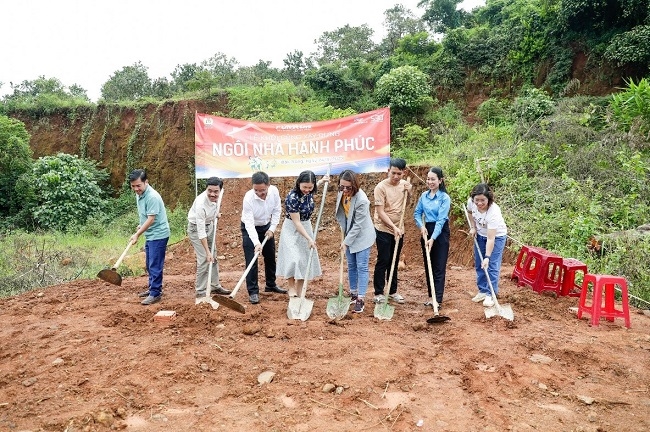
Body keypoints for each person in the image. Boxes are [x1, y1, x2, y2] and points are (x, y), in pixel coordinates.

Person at [276, 170, 330, 298]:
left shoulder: (309, 192)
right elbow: (297, 222)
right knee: (293, 259)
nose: (307, 190)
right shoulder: (292, 197)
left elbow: (315, 188)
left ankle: (299, 291)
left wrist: (322, 180)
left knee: (304, 260)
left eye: (310, 187)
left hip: (306, 225)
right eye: (305, 187)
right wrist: (309, 239)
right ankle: (290, 287)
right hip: (292, 227)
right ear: (298, 183)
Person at [241, 171, 287, 304]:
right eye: (256, 190)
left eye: (262, 190)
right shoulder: (248, 198)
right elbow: (249, 223)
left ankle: (271, 285)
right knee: (252, 260)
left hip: (266, 226)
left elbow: (277, 211)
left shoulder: (274, 192)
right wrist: (256, 243)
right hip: (250, 228)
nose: (259, 193)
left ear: (268, 185)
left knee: (271, 257)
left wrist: (272, 229)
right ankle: (253, 291)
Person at [335, 170, 376, 313]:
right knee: (351, 265)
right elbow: (342, 212)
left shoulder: (362, 200)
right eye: (342, 187)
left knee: (362, 266)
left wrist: (346, 242)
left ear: (355, 185)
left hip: (362, 235)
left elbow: (358, 225)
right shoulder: (341, 192)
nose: (345, 190)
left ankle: (361, 298)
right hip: (349, 233)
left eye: (348, 187)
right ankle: (353, 293)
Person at [372, 157, 413, 304]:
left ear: (404, 173)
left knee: (394, 260)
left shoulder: (404, 185)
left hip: (399, 229)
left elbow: (406, 204)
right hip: (383, 228)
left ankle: (392, 291)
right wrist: (393, 227)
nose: (396, 177)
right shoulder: (380, 188)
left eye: (399, 174)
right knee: (383, 259)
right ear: (388, 171)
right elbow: (380, 212)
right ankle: (378, 292)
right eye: (393, 173)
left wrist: (411, 192)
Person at [128, 169, 170, 306]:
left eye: (138, 185)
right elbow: (145, 216)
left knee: (154, 264)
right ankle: (153, 288)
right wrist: (141, 226)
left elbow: (151, 219)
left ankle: (156, 293)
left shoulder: (152, 196)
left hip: (158, 234)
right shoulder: (139, 194)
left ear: (146, 182)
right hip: (150, 234)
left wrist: (137, 234)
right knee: (149, 264)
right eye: (133, 186)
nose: (136, 189)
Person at [187, 177, 232, 301]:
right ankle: (200, 291)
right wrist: (207, 252)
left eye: (215, 191)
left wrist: (215, 214)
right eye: (209, 191)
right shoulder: (201, 203)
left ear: (220, 190)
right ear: (206, 189)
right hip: (196, 229)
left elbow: (215, 205)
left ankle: (215, 285)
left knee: (214, 256)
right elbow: (201, 232)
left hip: (210, 224)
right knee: (204, 259)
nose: (212, 194)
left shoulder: (220, 193)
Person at [414, 167, 451, 308]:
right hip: (426, 231)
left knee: (439, 266)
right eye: (428, 179)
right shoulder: (424, 196)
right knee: (428, 264)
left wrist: (433, 238)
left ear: (440, 180)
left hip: (440, 233)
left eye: (433, 179)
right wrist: (421, 227)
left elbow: (441, 220)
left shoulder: (444, 198)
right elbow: (417, 213)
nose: (430, 181)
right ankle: (431, 296)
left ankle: (438, 299)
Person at [467, 183, 508, 307]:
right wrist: (473, 227)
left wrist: (487, 257)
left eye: (483, 200)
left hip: (496, 237)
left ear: (488, 199)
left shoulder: (493, 212)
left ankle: (491, 294)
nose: (479, 203)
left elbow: (491, 239)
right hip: (480, 234)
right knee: (480, 264)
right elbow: (469, 212)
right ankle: (483, 291)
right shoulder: (471, 202)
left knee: (491, 266)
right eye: (477, 200)